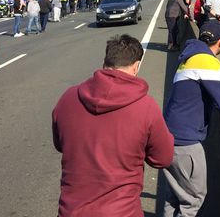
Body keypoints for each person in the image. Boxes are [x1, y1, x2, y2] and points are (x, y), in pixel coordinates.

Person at [52, 34, 174, 217]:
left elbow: (60, 144)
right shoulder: (146, 107)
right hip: (123, 211)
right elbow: (163, 158)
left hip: (71, 211)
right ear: (136, 66)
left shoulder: (68, 97)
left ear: (104, 62)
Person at [163, 20, 220, 217]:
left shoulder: (189, 56)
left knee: (175, 196)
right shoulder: (206, 60)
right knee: (194, 198)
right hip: (186, 141)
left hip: (169, 135)